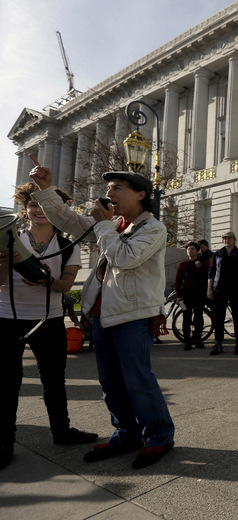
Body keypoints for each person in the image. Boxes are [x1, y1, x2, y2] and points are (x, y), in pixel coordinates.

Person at [29, 165, 175, 470]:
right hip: (102, 315)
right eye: (109, 188)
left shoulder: (153, 228)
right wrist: (44, 190)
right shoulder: (111, 224)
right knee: (110, 383)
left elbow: (125, 258)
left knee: (138, 380)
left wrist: (105, 226)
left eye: (118, 187)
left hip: (133, 317)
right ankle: (126, 434)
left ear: (140, 195)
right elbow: (67, 219)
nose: (109, 192)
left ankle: (159, 437)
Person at [0, 182, 98, 471]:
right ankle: (4, 442)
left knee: (54, 381)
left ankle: (62, 431)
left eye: (44, 205)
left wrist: (46, 282)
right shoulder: (10, 238)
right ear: (25, 209)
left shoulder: (67, 246)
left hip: (50, 319)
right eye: (32, 205)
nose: (38, 210)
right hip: (7, 319)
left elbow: (66, 285)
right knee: (6, 383)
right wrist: (6, 263)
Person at [207, 231, 238, 355]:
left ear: (234, 240)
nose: (227, 240)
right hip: (220, 289)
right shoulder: (218, 254)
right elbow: (212, 271)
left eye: (229, 238)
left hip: (236, 289)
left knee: (237, 317)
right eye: (224, 238)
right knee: (219, 318)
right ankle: (218, 343)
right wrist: (209, 289)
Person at [175, 241, 209, 350]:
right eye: (188, 249)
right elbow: (178, 281)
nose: (190, 251)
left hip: (199, 294)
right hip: (186, 295)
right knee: (186, 317)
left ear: (198, 251)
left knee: (198, 317)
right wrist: (179, 295)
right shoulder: (183, 264)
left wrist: (200, 267)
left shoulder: (204, 262)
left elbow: (208, 277)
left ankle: (198, 339)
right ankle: (187, 341)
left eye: (193, 249)